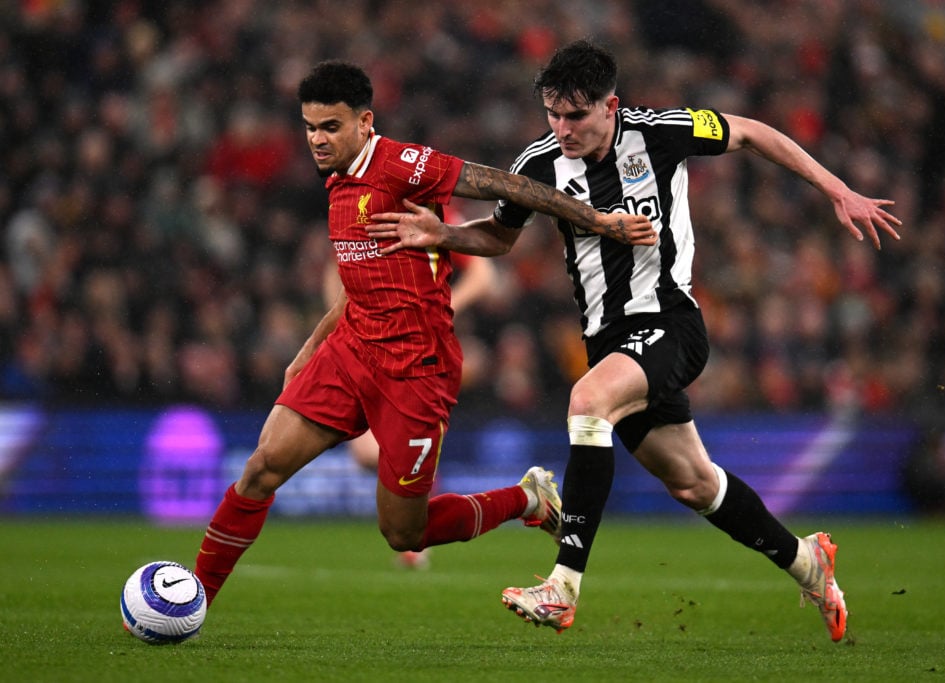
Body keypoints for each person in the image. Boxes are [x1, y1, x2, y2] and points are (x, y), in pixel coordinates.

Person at [368, 39, 902, 642]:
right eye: (553, 114)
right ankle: (807, 563)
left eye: (576, 115)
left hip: (670, 322)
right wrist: (441, 233)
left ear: (610, 105)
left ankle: (562, 587)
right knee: (694, 483)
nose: (562, 128)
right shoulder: (538, 164)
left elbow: (751, 132)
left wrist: (837, 189)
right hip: (608, 341)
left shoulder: (660, 131)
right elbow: (498, 236)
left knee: (587, 403)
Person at [192, 59, 656, 607]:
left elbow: (508, 185)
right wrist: (310, 349)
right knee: (261, 469)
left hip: (417, 367)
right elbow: (357, 281)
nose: (317, 140)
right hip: (351, 351)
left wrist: (598, 220)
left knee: (403, 533)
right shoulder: (338, 181)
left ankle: (528, 500)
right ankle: (193, 596)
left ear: (365, 122)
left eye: (331, 127)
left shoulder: (403, 165)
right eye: (310, 127)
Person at [321, 249, 498, 569]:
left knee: (387, 447)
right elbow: (335, 270)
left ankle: (418, 512)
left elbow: (484, 276)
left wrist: (440, 310)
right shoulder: (367, 215)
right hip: (370, 340)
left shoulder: (433, 213)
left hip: (419, 346)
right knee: (366, 453)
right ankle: (420, 481)